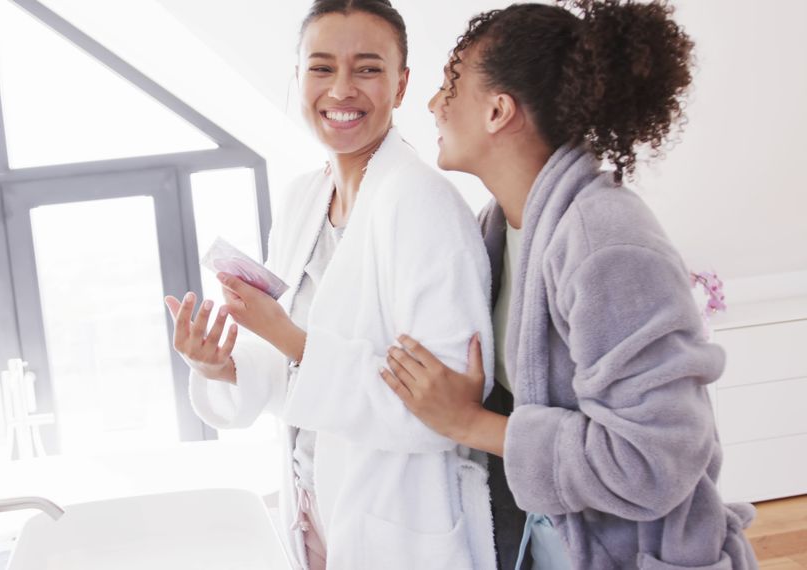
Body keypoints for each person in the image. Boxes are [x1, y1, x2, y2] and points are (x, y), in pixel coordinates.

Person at [380, 1, 760, 569]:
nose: (433, 104)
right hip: (551, 542)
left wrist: (468, 423)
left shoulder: (605, 243)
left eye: (449, 86)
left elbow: (654, 459)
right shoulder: (499, 227)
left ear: (498, 111)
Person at [164, 1, 498, 568]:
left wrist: (292, 340)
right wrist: (224, 367)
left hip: (398, 523)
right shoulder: (301, 200)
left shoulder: (422, 205)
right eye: (321, 68)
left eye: (367, 68)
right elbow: (293, 377)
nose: (341, 90)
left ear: (401, 84)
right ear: (298, 78)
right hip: (314, 508)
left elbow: (445, 411)